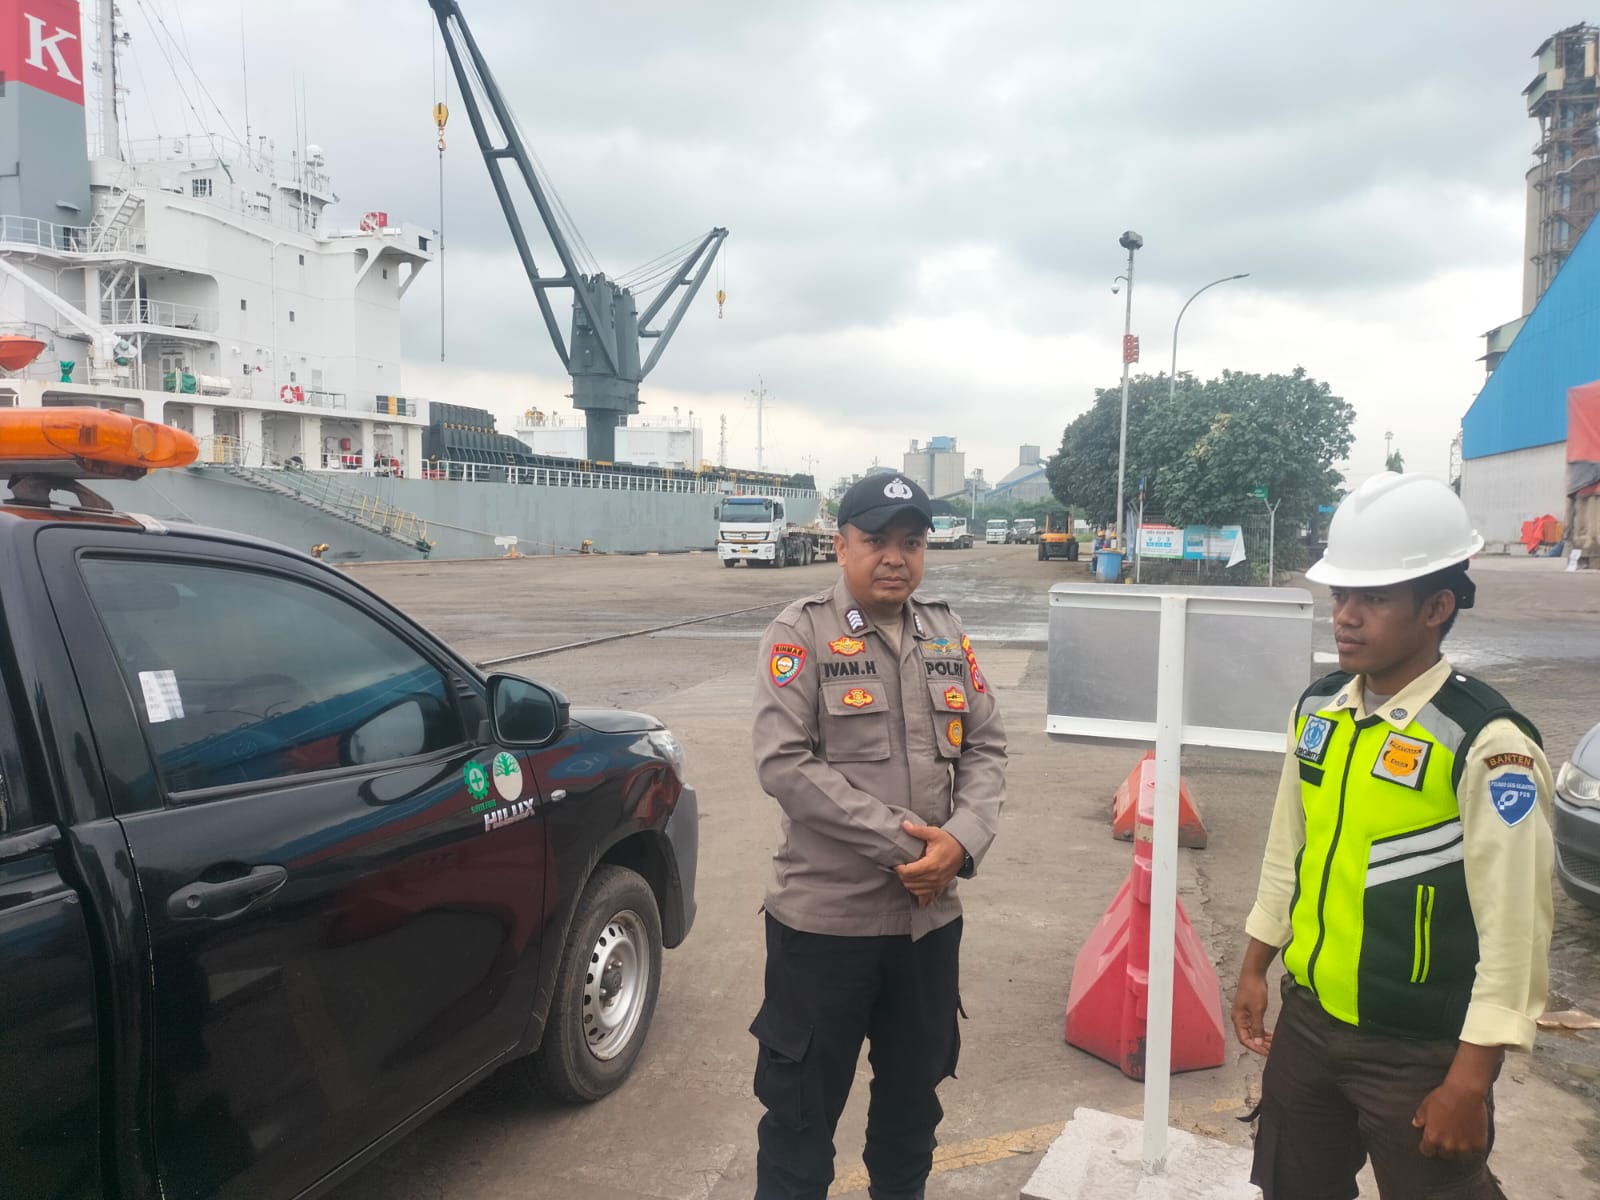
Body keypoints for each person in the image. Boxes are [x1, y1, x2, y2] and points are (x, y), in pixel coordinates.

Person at [1233, 472, 1554, 1200]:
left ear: (1437, 607)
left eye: (1374, 598)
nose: (1345, 617)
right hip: (1309, 1025)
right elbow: (1289, 850)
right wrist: (1256, 964)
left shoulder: (1486, 742)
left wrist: (1469, 1080)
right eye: (1339, 595)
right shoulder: (1319, 710)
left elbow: (1517, 929)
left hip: (1419, 1052)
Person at [748, 474, 1007, 1200]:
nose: (896, 557)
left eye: (912, 542)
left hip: (927, 927)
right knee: (799, 1125)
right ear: (841, 546)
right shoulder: (800, 634)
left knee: (911, 1117)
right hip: (826, 929)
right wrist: (913, 847)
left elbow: (987, 747)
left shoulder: (947, 633)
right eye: (877, 541)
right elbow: (784, 764)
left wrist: (962, 841)